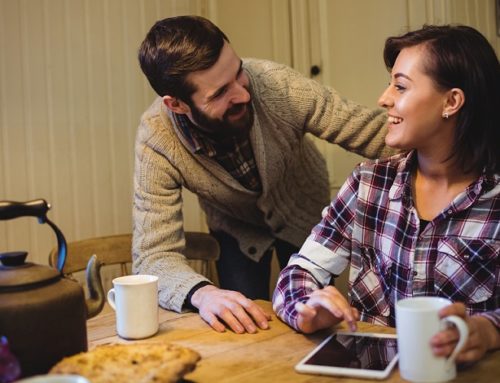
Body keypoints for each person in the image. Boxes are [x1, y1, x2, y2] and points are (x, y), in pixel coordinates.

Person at [133, 15, 393, 334]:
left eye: (238, 73)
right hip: (237, 230)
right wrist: (203, 294)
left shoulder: (276, 85)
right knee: (242, 322)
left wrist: (456, 135)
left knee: (317, 320)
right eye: (219, 94)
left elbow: (370, 132)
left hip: (302, 210)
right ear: (177, 105)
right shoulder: (156, 140)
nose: (243, 94)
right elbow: (153, 256)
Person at [273, 24, 499, 364]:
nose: (384, 98)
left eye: (401, 86)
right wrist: (307, 305)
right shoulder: (368, 183)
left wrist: (488, 329)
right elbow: (299, 272)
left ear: (451, 101)